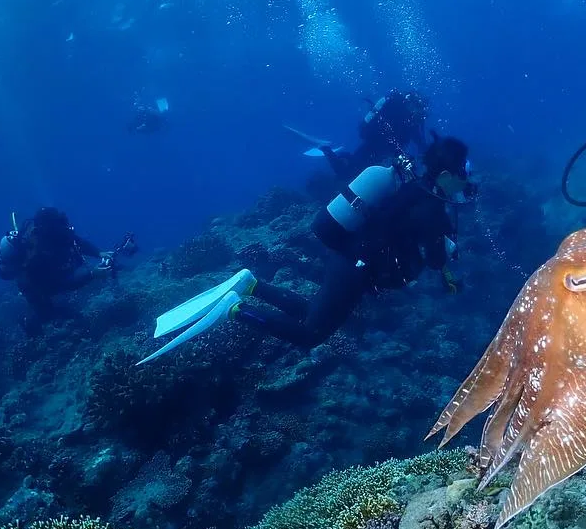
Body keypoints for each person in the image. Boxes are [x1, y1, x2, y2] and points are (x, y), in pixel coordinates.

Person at [140, 135, 475, 362]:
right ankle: (236, 309)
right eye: (463, 171)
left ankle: (252, 285)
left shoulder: (414, 187)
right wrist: (445, 248)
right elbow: (433, 259)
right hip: (357, 267)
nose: (467, 178)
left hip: (350, 255)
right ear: (446, 173)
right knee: (310, 334)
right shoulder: (431, 208)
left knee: (310, 310)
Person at [0, 207, 135, 320]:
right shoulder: (36, 255)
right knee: (50, 315)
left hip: (52, 273)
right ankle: (29, 321)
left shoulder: (56, 232)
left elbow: (76, 240)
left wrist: (98, 253)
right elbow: (60, 283)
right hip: (40, 284)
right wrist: (92, 273)